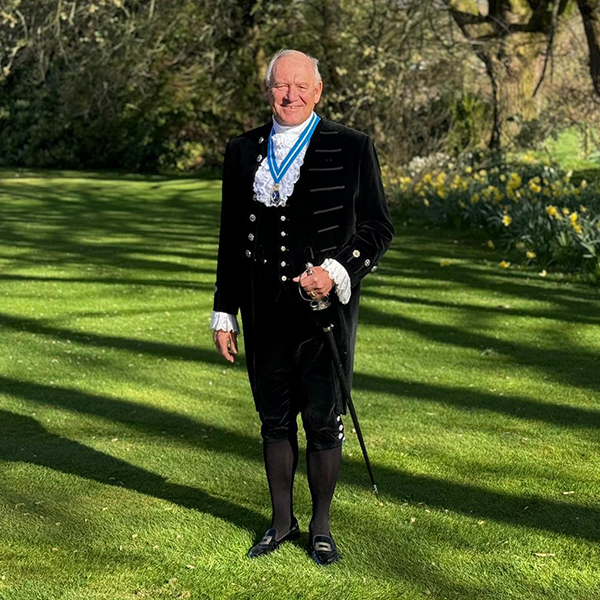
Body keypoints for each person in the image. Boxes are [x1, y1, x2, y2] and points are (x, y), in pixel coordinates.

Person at [211, 48, 394, 565]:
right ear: (268, 90)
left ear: (317, 92)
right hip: (262, 309)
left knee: (321, 419)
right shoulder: (242, 149)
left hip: (323, 316)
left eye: (300, 87)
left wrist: (336, 271)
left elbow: (378, 227)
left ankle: (320, 527)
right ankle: (279, 522)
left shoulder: (353, 146)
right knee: (273, 421)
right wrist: (225, 311)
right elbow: (230, 238)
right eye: (279, 86)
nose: (289, 96)